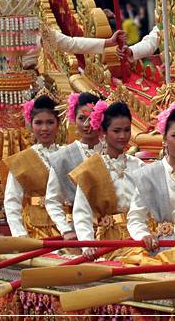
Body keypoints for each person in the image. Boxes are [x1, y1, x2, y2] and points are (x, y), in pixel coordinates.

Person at [127, 104, 175, 263]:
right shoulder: (148, 174)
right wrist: (143, 235)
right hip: (163, 248)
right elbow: (136, 217)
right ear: (164, 138)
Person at [71, 101, 145, 262]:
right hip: (108, 242)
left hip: (138, 238)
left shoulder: (139, 166)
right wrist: (87, 244)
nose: (123, 136)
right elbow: (82, 212)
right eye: (116, 131)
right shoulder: (91, 169)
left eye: (127, 130)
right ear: (103, 132)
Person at [45, 92, 104, 240]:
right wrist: (65, 230)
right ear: (74, 119)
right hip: (75, 232)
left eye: (92, 118)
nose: (86, 124)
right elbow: (52, 200)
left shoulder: (112, 152)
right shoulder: (62, 157)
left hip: (110, 232)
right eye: (82, 118)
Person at [2, 95, 61, 238]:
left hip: (66, 227)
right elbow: (12, 201)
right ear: (31, 125)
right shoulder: (21, 161)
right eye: (38, 123)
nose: (44, 128)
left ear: (58, 124)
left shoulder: (68, 155)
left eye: (50, 122)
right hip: (34, 229)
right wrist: (20, 234)